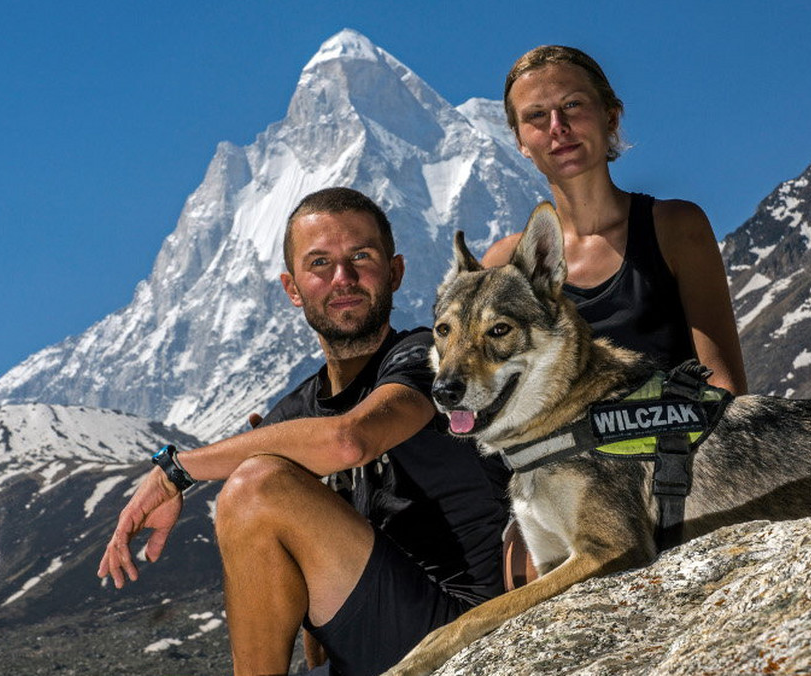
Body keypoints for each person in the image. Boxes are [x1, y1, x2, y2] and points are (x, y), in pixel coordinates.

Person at [97, 187, 510, 676]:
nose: (344, 278)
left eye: (361, 256)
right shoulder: (296, 411)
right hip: (368, 643)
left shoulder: (429, 357)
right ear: (293, 289)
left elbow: (350, 440)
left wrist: (176, 471)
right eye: (320, 264)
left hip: (461, 628)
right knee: (252, 483)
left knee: (256, 484)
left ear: (395, 273)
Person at [485, 45, 748, 394]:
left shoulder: (676, 229)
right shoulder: (502, 265)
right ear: (519, 140)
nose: (557, 127)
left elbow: (724, 389)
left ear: (611, 117)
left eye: (572, 105)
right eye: (536, 115)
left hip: (680, 447)